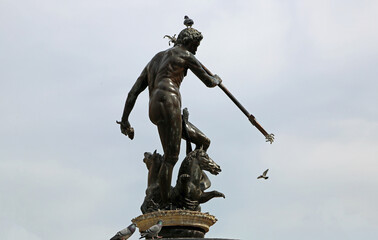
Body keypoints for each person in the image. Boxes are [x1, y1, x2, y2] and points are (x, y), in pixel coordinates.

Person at [118, 27, 222, 207]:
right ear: (189, 42)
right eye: (196, 45)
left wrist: (125, 119)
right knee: (171, 157)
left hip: (155, 106)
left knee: (203, 141)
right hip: (169, 101)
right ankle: (167, 205)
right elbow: (209, 82)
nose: (196, 50)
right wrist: (217, 79)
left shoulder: (155, 59)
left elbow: (134, 91)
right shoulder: (186, 55)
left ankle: (191, 182)